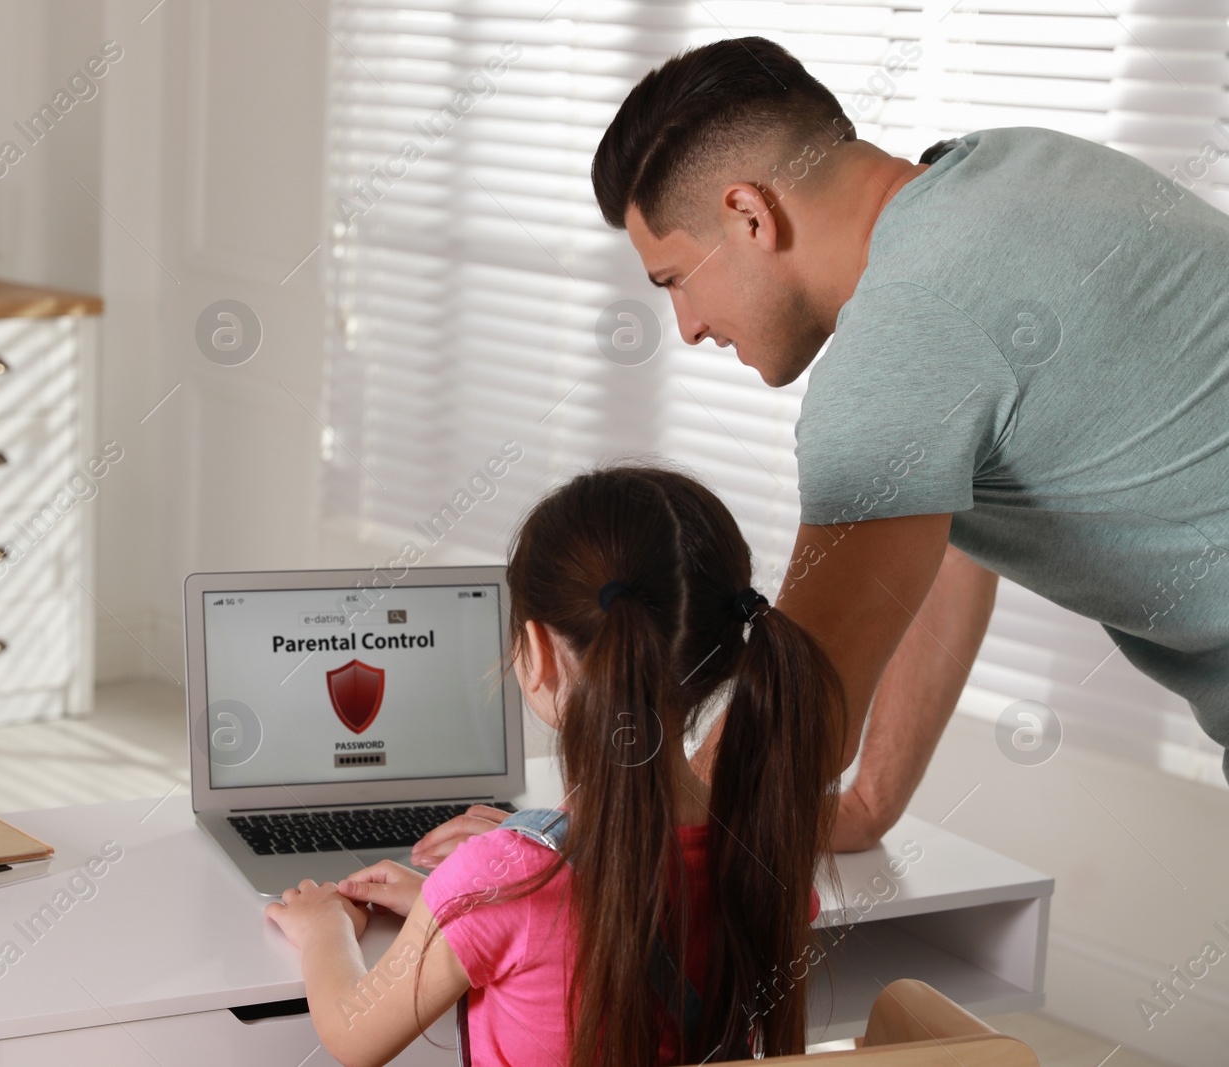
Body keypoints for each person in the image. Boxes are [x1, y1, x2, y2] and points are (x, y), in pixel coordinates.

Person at [588, 37, 1229, 849]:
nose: (688, 328)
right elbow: (941, 533)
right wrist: (866, 804)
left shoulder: (902, 336)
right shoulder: (1012, 167)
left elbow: (795, 720)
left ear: (750, 214)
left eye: (675, 278)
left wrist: (545, 852)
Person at [264, 463, 844, 1066]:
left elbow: (354, 1034)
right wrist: (463, 899)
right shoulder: (764, 860)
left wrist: (325, 926)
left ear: (536, 652)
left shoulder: (497, 880)